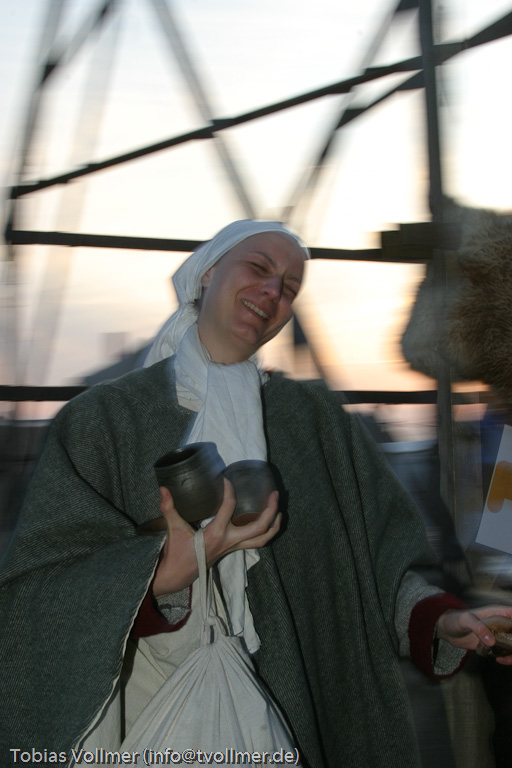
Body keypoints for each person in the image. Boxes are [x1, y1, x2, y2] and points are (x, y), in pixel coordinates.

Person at [1, 219, 512, 768]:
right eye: (259, 268)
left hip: (301, 708)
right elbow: (39, 592)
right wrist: (162, 574)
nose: (273, 291)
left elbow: (375, 568)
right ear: (206, 274)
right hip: (152, 714)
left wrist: (440, 620)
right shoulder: (105, 421)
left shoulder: (317, 421)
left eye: (290, 287)